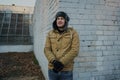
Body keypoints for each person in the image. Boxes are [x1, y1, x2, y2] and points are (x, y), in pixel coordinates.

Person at [44, 11, 79, 80]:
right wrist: (54, 61)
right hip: (52, 69)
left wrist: (61, 63)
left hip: (66, 70)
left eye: (62, 19)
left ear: (65, 21)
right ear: (55, 21)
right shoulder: (50, 33)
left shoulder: (73, 33)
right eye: (58, 18)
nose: (59, 20)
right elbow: (46, 49)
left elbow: (75, 50)